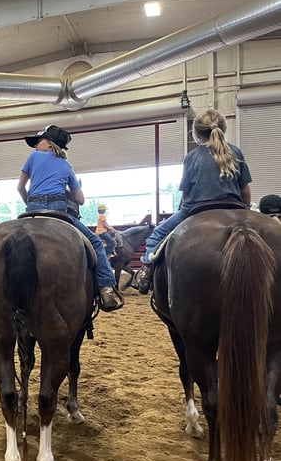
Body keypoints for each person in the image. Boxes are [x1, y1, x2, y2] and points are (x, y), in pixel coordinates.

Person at [136, 108, 252, 294]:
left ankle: (147, 271)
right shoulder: (236, 152)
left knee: (157, 235)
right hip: (235, 206)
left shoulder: (191, 157)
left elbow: (186, 195)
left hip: (197, 208)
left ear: (197, 134)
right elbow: (245, 191)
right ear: (223, 129)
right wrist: (246, 209)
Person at [17, 125, 123, 312]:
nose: (35, 147)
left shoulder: (33, 158)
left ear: (49, 144)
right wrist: (64, 189)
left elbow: (20, 188)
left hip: (32, 209)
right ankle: (106, 288)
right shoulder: (67, 166)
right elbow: (80, 200)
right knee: (96, 244)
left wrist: (30, 204)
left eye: (38, 142)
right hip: (59, 212)